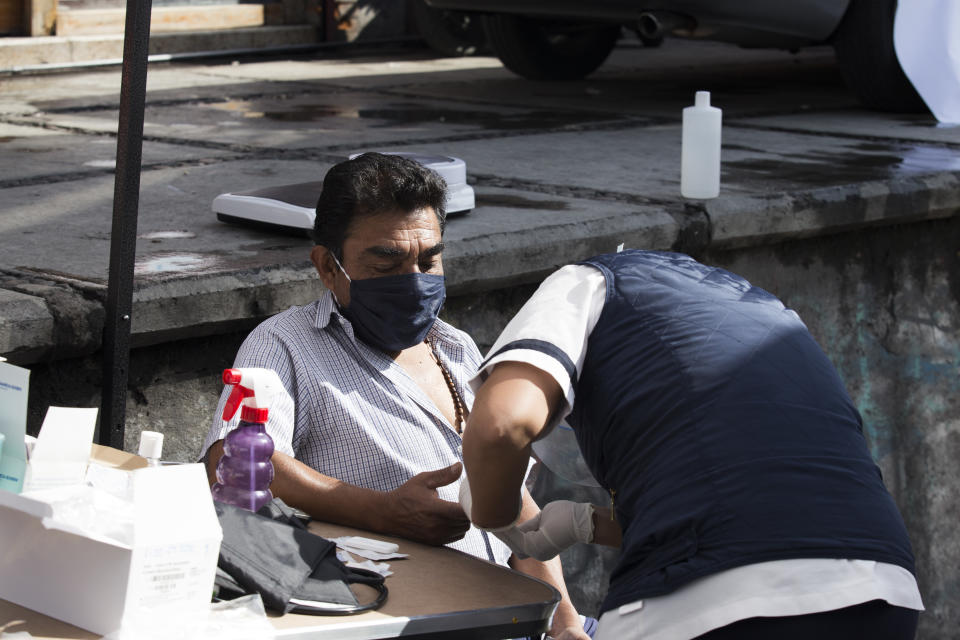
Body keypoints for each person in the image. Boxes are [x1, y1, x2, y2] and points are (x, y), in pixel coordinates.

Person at [201, 152, 591, 639]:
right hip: (397, 620)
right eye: (386, 263)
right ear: (327, 265)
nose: (413, 280)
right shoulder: (285, 344)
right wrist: (382, 512)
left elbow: (514, 503)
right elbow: (233, 459)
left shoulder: (458, 349)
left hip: (516, 613)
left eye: (428, 261)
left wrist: (566, 622)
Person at [460, 249, 924, 640]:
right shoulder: (765, 312)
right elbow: (745, 497)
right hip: (881, 589)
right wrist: (583, 523)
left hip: (709, 601)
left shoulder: (588, 283)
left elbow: (502, 425)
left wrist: (495, 516)